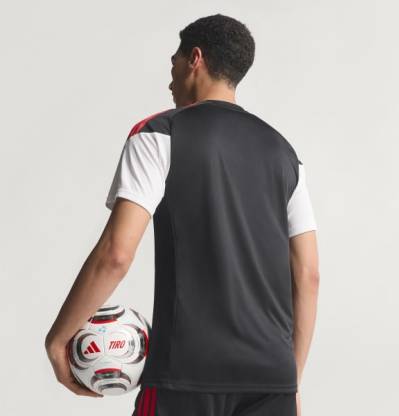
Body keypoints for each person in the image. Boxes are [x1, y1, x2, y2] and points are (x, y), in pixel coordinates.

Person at [45, 13, 320, 416]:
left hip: (185, 376)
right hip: (270, 380)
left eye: (173, 61)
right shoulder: (284, 153)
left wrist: (58, 339)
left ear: (195, 59)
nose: (169, 78)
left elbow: (116, 255)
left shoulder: (159, 134)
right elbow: (308, 275)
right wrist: (290, 379)